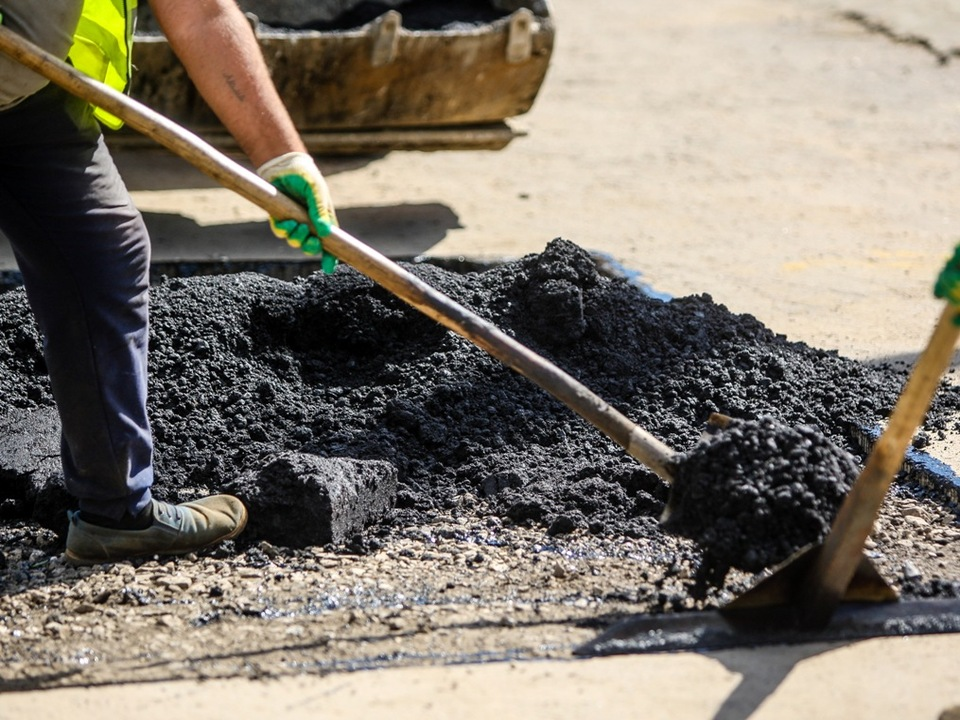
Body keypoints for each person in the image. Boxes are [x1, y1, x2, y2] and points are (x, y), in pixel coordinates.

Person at [0, 0, 338, 565]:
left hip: (28, 86)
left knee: (102, 252)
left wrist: (280, 155)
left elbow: (200, 12)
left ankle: (116, 514)